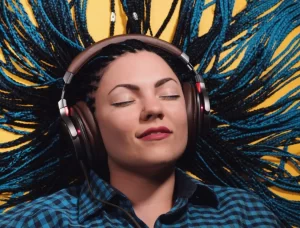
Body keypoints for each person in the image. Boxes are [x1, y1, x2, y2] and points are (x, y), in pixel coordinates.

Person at [0, 35, 283, 228]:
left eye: (170, 95)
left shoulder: (245, 214)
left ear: (194, 111)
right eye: (124, 100)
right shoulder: (38, 221)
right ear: (85, 127)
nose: (153, 109)